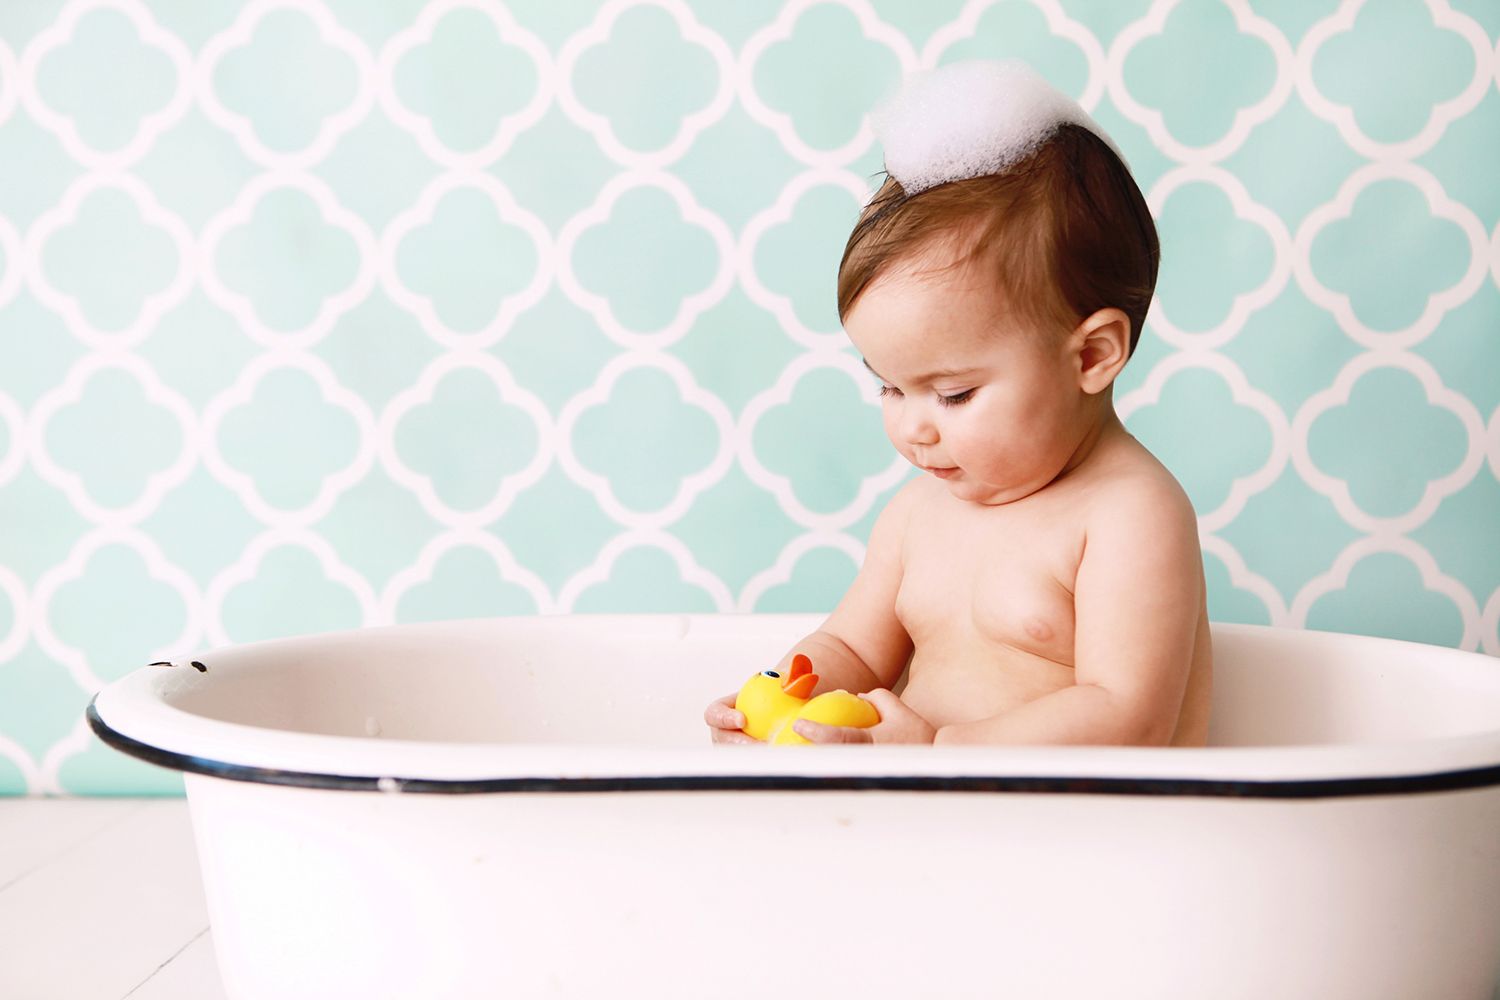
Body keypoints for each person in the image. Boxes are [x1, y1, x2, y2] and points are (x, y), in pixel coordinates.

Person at [704, 60, 1212, 747]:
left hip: (1084, 843)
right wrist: (785, 692)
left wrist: (940, 753)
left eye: (953, 394)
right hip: (934, 833)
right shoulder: (917, 515)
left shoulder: (1129, 516)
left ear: (1091, 356)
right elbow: (852, 650)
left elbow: (1128, 717)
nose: (912, 427)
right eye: (888, 385)